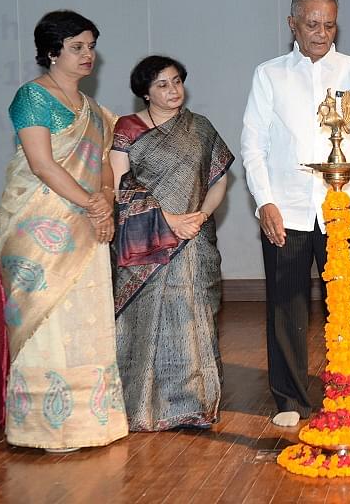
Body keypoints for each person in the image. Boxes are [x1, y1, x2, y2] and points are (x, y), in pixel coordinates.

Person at [240, 0, 350, 427]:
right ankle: (290, 398)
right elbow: (253, 144)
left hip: (344, 209)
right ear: (292, 24)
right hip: (286, 210)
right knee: (285, 306)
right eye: (312, 24)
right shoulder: (269, 74)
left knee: (346, 303)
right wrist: (264, 202)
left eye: (329, 24)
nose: (322, 33)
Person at [0, 10, 128, 453]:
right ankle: (45, 429)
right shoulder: (32, 97)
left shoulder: (94, 110)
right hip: (40, 226)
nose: (88, 54)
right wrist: (92, 202)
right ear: (52, 52)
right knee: (48, 320)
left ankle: (92, 423)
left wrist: (105, 198)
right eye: (77, 47)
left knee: (85, 318)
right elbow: (42, 164)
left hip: (88, 224)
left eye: (91, 46)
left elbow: (105, 164)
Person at [109, 55, 234, 431]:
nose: (173, 90)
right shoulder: (128, 128)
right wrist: (168, 221)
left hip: (195, 239)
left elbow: (219, 180)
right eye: (162, 84)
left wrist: (202, 215)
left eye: (177, 81)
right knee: (146, 322)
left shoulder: (200, 128)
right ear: (145, 92)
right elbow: (121, 187)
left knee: (194, 318)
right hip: (147, 242)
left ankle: (195, 405)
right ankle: (142, 407)